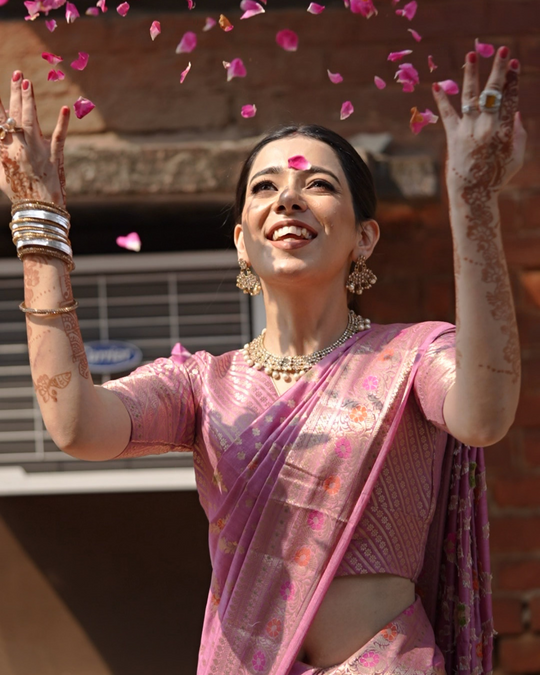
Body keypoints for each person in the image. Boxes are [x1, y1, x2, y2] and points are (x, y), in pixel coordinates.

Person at [0, 45, 525, 675]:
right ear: (242, 242)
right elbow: (77, 427)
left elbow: (484, 415)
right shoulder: (201, 386)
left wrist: (472, 202)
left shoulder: (413, 358)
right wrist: (40, 231)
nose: (288, 199)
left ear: (364, 237)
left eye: (320, 184)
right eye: (265, 187)